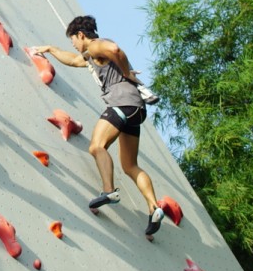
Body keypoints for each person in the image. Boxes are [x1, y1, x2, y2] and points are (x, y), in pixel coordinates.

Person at [34, 15, 166, 237]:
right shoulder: (92, 55)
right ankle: (154, 207)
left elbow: (114, 49)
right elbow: (74, 60)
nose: (73, 45)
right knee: (130, 165)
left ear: (80, 35)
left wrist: (126, 72)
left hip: (122, 103)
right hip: (136, 110)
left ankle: (109, 191)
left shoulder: (95, 46)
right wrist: (50, 49)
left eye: (72, 40)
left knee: (96, 146)